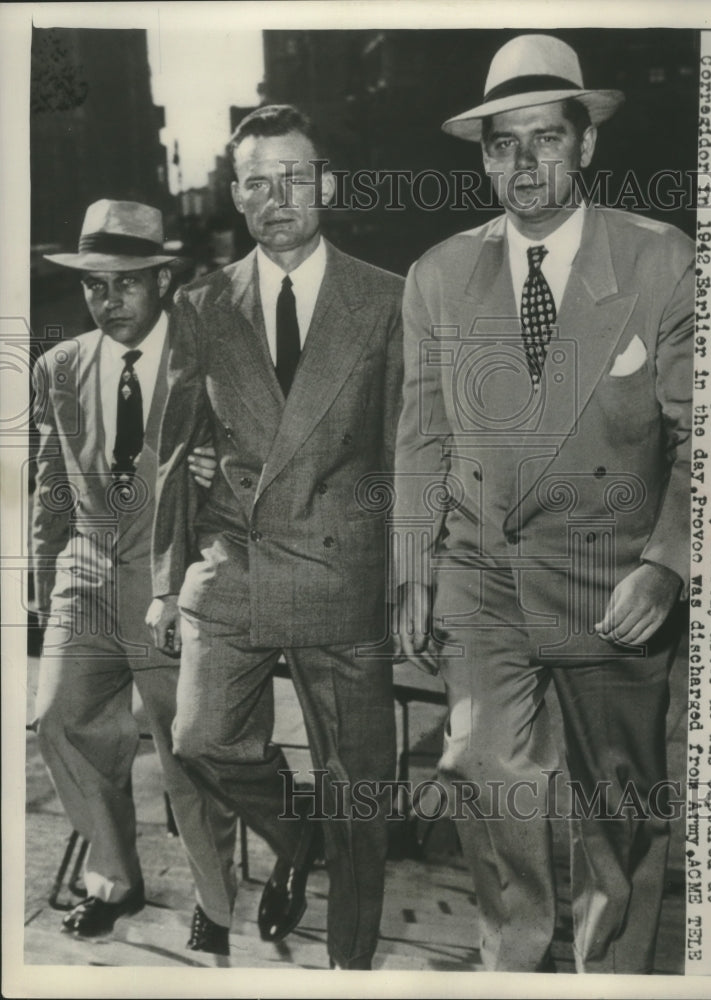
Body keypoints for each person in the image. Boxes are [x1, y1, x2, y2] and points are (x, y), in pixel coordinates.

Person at [394, 35, 694, 973]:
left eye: (545, 138)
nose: (523, 164)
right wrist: (412, 568)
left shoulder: (658, 261)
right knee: (485, 773)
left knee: (622, 812)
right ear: (482, 156)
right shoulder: (440, 275)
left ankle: (611, 974)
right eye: (502, 143)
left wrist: (667, 561)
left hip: (616, 579)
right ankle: (513, 964)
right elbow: (423, 436)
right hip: (485, 574)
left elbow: (710, 439)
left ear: (586, 146)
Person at [147, 104, 403, 971]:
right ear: (236, 196)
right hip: (240, 560)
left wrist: (411, 574)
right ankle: (297, 838)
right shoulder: (201, 302)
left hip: (347, 567)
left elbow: (411, 447)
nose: (277, 195)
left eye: (294, 176)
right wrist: (162, 576)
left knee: (361, 795)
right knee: (201, 740)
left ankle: (350, 967)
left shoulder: (385, 298)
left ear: (325, 183)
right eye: (257, 181)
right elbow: (174, 451)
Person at [32, 199, 238, 956]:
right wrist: (41, 571)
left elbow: (251, 467)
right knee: (58, 719)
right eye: (93, 285)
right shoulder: (59, 367)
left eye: (124, 283)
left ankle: (215, 903)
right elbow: (53, 479)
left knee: (185, 750)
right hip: (84, 573)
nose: (107, 300)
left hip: (173, 582)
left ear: (161, 279)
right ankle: (115, 881)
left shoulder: (206, 362)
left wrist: (216, 486)